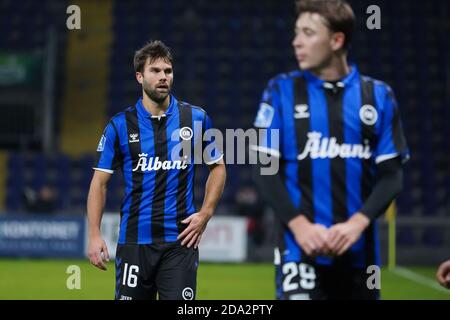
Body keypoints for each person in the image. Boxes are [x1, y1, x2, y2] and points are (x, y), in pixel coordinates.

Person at [251, 0, 409, 300]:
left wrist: (356, 224)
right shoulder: (280, 90)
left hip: (361, 257)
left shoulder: (378, 96)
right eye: (296, 32)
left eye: (308, 33)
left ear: (337, 40)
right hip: (298, 251)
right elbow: (263, 169)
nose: (296, 41)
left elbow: (392, 177)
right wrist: (300, 226)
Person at [87, 40, 226, 300]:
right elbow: (99, 183)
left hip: (180, 241)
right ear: (140, 76)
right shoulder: (119, 126)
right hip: (134, 242)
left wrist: (206, 213)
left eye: (168, 71)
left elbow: (218, 167)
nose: (163, 77)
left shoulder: (196, 119)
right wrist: (94, 235)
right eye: (155, 71)